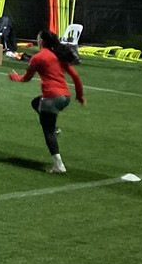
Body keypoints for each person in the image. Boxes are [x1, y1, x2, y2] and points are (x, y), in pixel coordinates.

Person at [9, 29, 85, 174]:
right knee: (35, 103)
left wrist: (14, 77)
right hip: (65, 97)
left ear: (41, 41)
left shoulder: (39, 57)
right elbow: (75, 76)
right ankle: (54, 127)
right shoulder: (59, 55)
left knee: (48, 132)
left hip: (51, 97)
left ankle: (59, 165)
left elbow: (26, 78)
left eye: (38, 39)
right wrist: (80, 96)